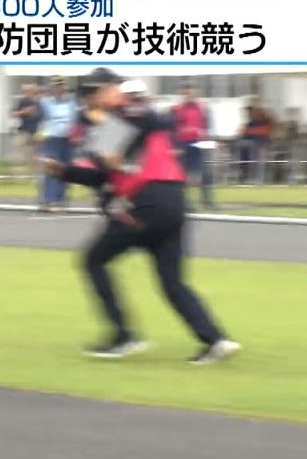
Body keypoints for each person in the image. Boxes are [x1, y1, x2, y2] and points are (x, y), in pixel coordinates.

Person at [40, 68, 241, 365]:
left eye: (91, 95)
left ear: (107, 90)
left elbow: (116, 153)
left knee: (94, 260)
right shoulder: (126, 119)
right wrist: (64, 171)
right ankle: (215, 339)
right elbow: (105, 173)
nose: (88, 103)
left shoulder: (126, 113)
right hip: (173, 202)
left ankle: (124, 336)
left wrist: (100, 146)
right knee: (172, 282)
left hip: (149, 203)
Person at [171, 81, 216, 210]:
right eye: (185, 90)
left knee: (206, 172)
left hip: (200, 142)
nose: (188, 92)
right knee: (183, 174)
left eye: (190, 89)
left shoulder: (203, 107)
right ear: (182, 92)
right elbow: (173, 127)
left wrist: (209, 139)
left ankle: (207, 200)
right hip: (183, 143)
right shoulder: (177, 109)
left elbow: (208, 125)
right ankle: (185, 203)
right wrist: (175, 145)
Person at [38, 75, 77, 212]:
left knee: (65, 170)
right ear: (52, 87)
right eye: (56, 85)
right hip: (51, 138)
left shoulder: (72, 102)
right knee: (50, 168)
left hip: (67, 139)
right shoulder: (45, 102)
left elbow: (75, 120)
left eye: (61, 85)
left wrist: (76, 135)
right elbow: (41, 120)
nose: (59, 88)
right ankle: (48, 199)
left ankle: (61, 200)